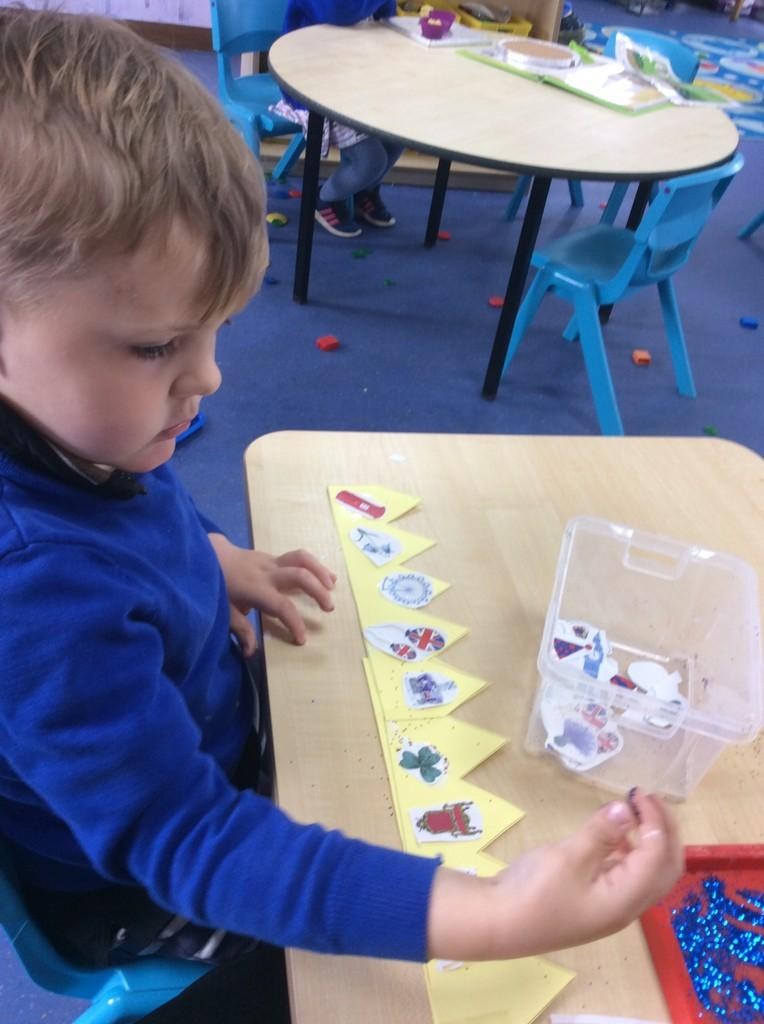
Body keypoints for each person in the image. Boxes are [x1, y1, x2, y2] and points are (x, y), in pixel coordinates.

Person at [0, 8, 683, 1023]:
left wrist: (208, 556)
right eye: (156, 347)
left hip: (203, 740)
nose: (212, 377)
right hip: (141, 883)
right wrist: (491, 915)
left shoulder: (74, 430)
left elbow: (118, 523)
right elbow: (195, 844)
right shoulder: (34, 593)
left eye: (219, 331)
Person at [271, 1, 403, 238]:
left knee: (397, 137)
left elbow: (386, 15)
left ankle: (364, 191)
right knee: (370, 160)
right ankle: (325, 198)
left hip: (356, 79)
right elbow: (337, 11)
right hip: (315, 87)